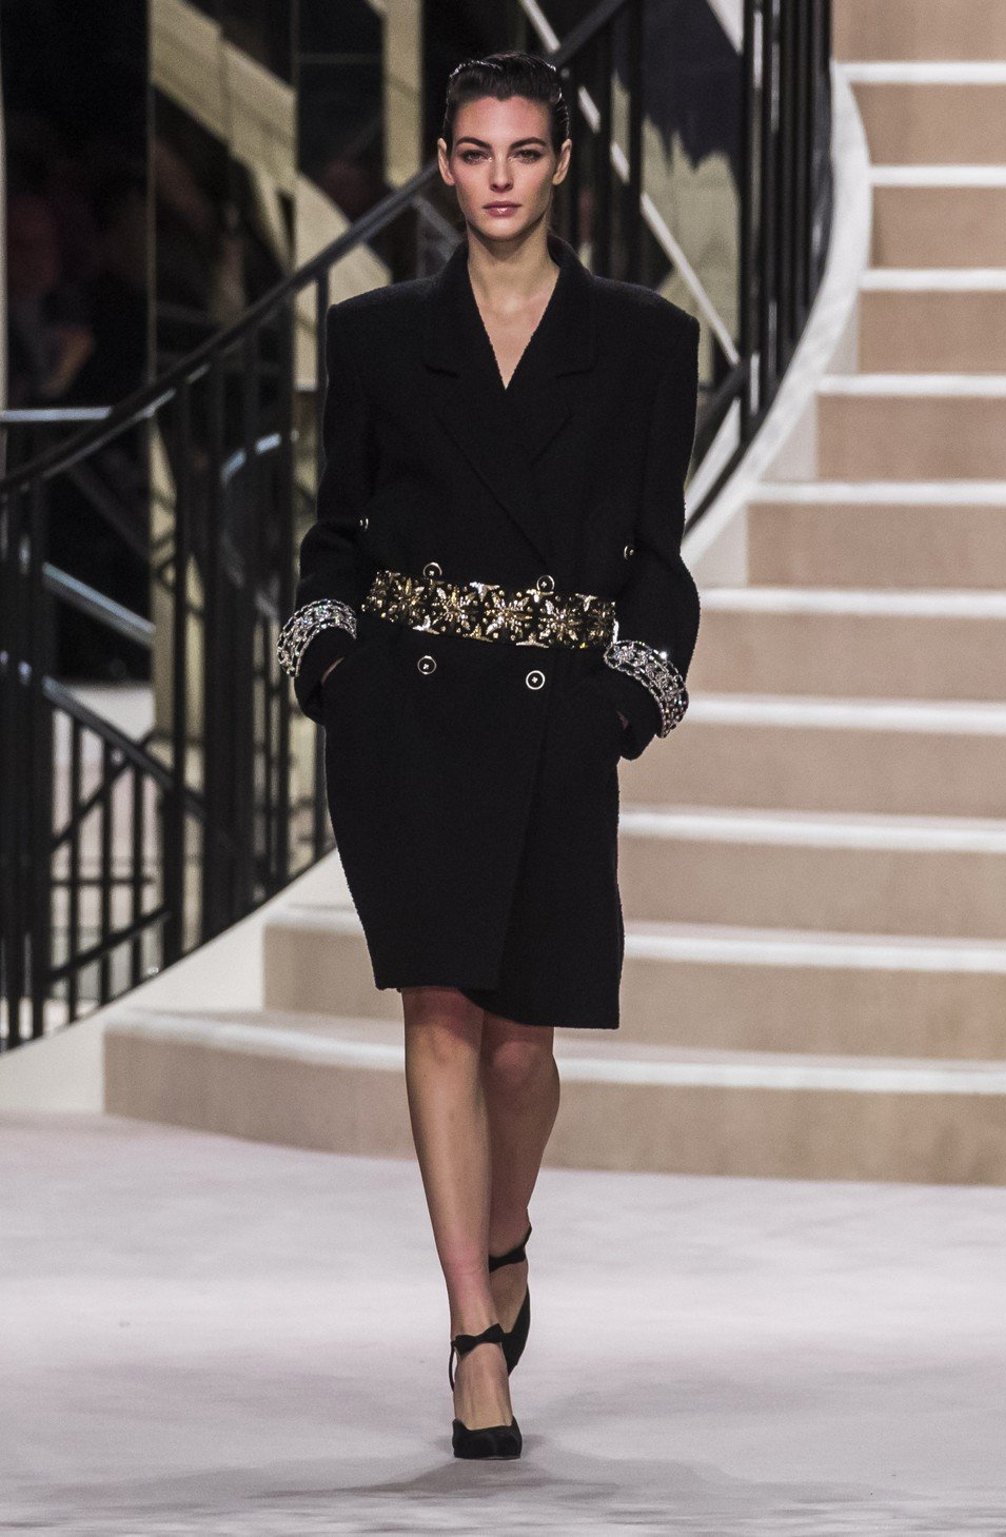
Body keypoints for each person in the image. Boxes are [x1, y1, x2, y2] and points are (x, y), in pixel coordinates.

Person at [277, 51, 701, 1461]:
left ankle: (508, 1233)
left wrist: (626, 700)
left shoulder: (642, 340)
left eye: (526, 150)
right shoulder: (380, 334)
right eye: (476, 150)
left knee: (526, 1046)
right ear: (446, 167)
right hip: (411, 714)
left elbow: (658, 551)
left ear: (563, 166)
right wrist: (331, 661)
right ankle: (474, 1331)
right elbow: (334, 530)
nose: (502, 175)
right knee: (442, 1013)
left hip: (556, 716)